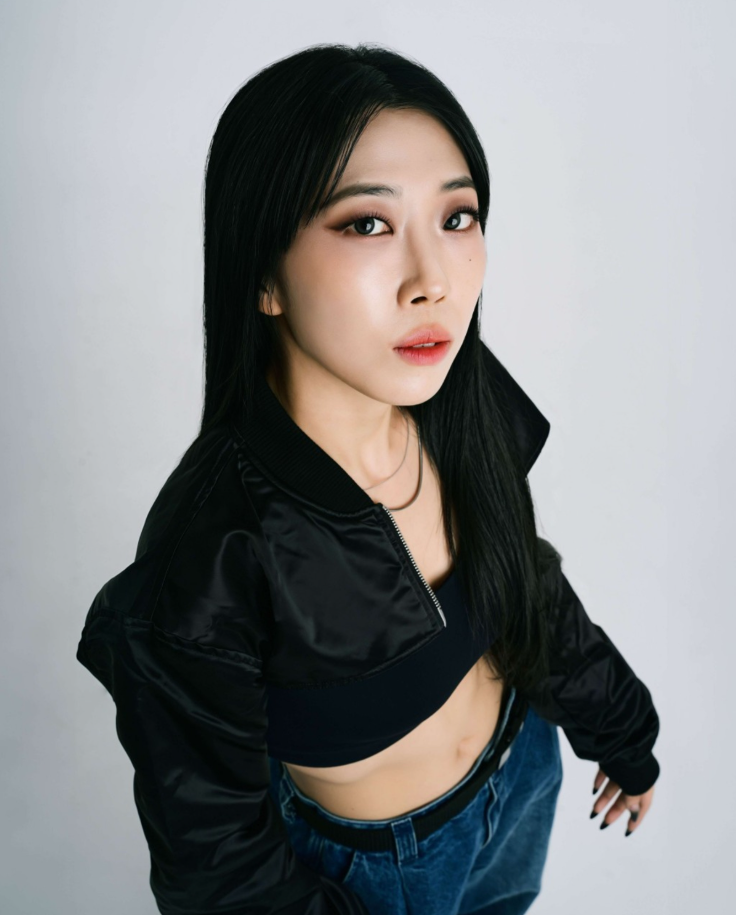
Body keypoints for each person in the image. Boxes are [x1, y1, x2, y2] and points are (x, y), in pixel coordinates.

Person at [76, 43, 660, 915]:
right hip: (381, 873)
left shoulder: (460, 405)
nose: (434, 282)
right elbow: (220, 868)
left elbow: (525, 588)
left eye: (457, 217)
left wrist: (621, 726)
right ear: (263, 274)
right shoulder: (214, 549)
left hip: (523, 772)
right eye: (368, 224)